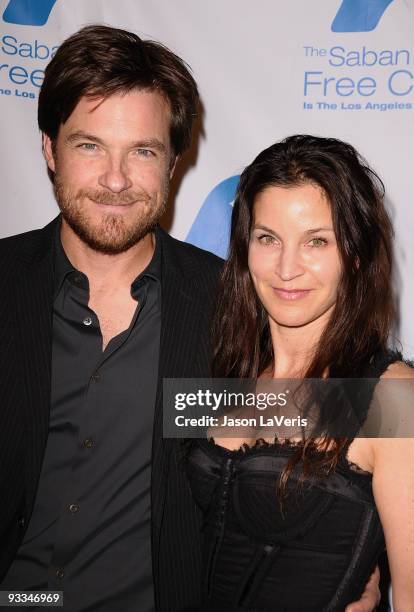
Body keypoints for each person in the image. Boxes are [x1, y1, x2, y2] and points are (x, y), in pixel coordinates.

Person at [0, 24, 380, 611]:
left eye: (143, 151)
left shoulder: (231, 307)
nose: (116, 179)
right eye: (89, 145)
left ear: (174, 162)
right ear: (49, 149)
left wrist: (361, 560)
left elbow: (343, 410)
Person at [185, 135, 414, 610]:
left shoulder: (391, 400)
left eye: (317, 241)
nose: (287, 268)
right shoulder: (222, 367)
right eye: (268, 238)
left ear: (354, 253)